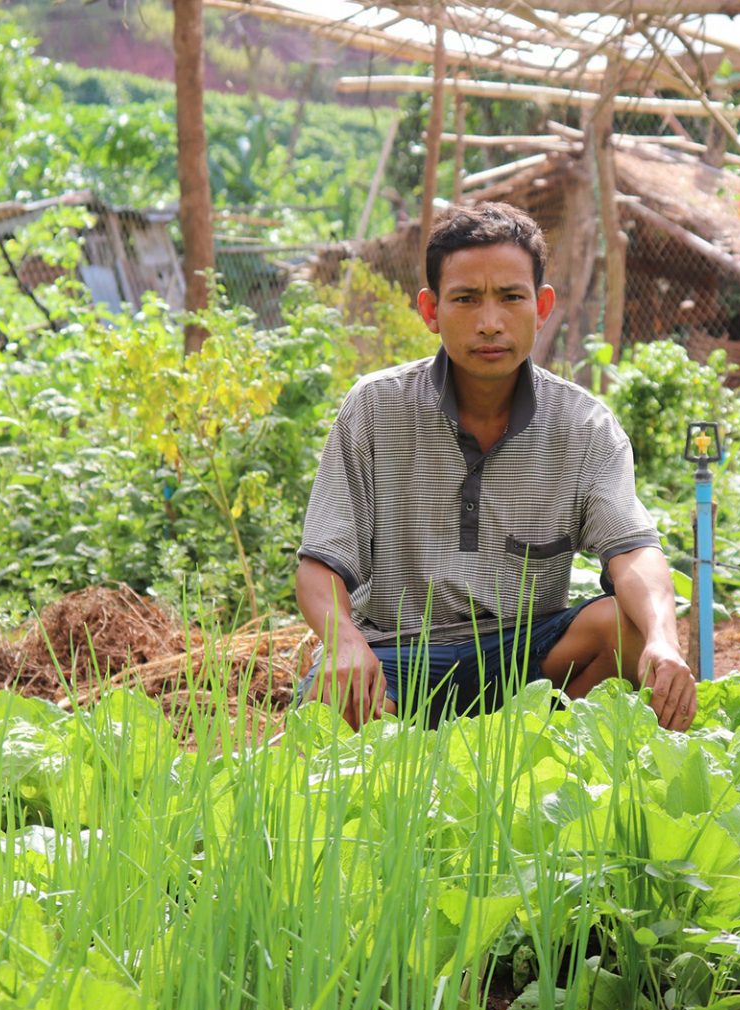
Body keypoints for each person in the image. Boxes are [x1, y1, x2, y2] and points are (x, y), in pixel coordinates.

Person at [294, 202, 695, 731]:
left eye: (511, 297)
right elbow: (319, 563)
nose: (490, 323)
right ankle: (414, 754)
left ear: (541, 306)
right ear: (431, 310)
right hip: (396, 653)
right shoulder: (375, 407)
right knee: (333, 704)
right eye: (466, 299)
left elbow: (634, 550)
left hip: (526, 658)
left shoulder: (584, 425)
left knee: (630, 630)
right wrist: (343, 641)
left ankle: (542, 750)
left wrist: (664, 640)